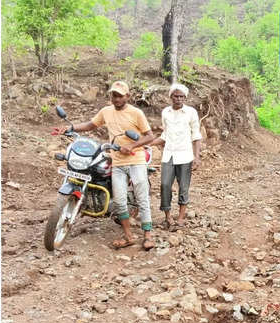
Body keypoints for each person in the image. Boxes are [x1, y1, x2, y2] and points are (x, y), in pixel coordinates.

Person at [59, 81, 156, 250]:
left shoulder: (136, 113)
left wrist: (132, 146)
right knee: (119, 201)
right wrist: (71, 127)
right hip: (117, 161)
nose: (116, 99)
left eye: (119, 95)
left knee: (142, 198)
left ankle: (148, 235)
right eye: (113, 95)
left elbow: (150, 136)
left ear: (127, 96)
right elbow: (91, 125)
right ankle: (128, 236)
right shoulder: (106, 111)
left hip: (136, 160)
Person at [152, 83, 202, 230]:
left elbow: (196, 135)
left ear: (185, 98)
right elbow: (164, 135)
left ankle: (181, 217)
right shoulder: (166, 112)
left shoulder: (191, 112)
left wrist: (196, 156)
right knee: (165, 185)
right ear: (171, 97)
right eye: (176, 96)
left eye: (181, 96)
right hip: (168, 155)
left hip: (185, 155)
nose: (179, 99)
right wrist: (149, 143)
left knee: (183, 186)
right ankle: (167, 216)